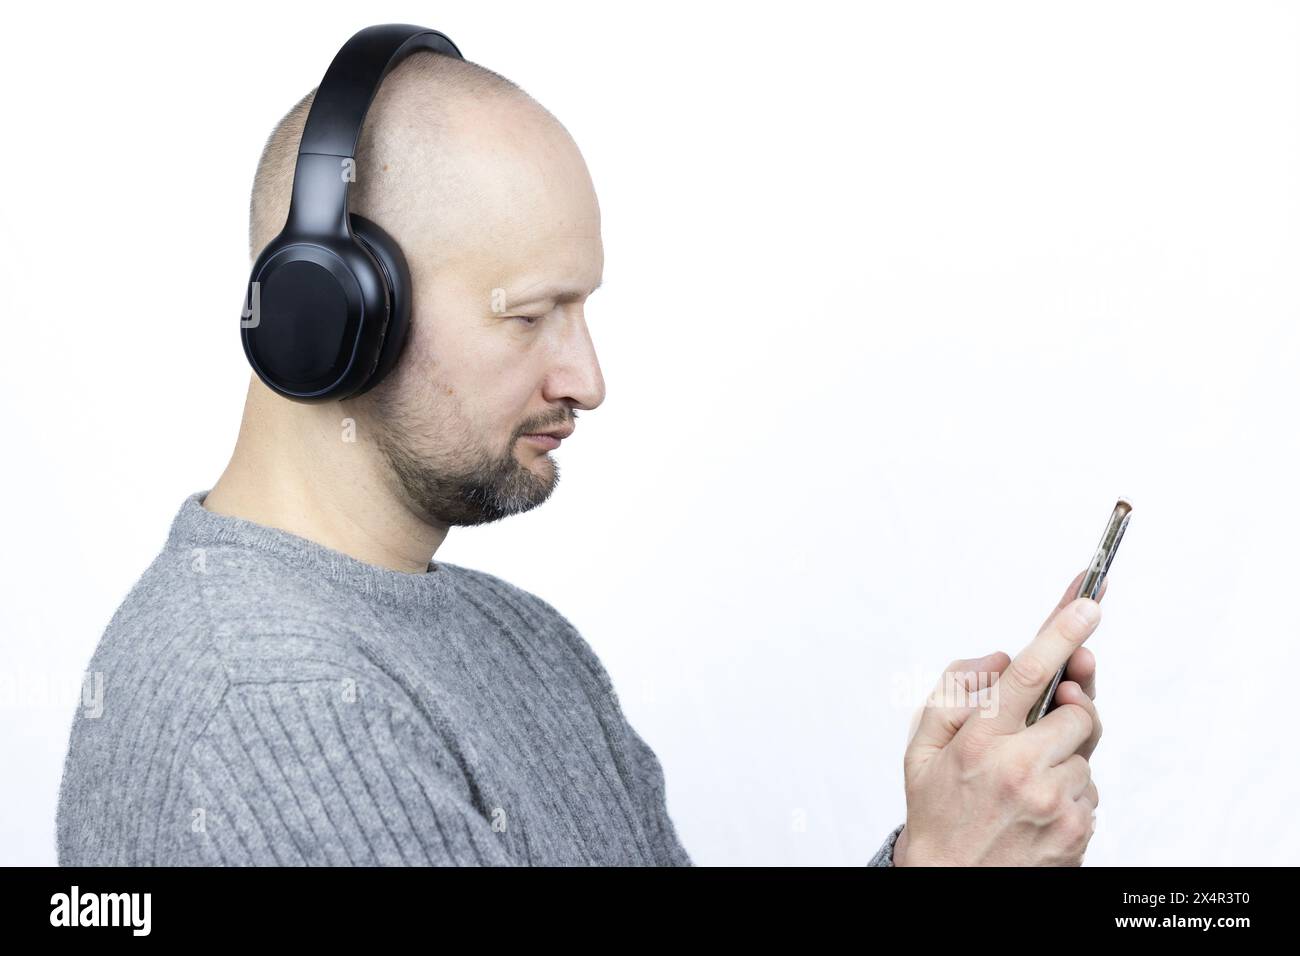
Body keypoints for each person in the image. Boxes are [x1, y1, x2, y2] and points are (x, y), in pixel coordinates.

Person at [55, 46, 1102, 867]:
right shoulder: (272, 706)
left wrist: (937, 841)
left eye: (582, 309)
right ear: (326, 318)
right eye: (529, 317)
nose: (586, 378)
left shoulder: (520, 643)